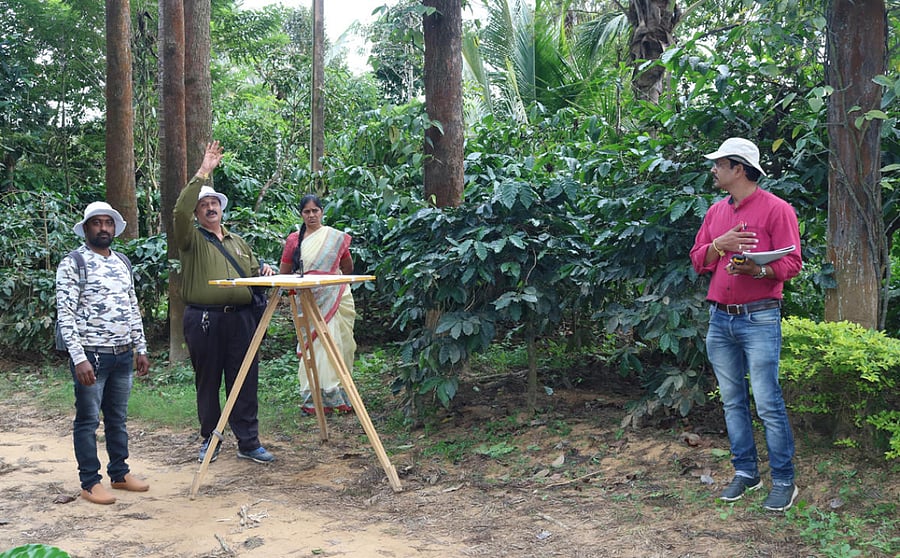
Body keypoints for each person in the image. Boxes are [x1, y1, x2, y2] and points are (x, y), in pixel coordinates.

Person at [689, 137, 803, 512]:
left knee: (767, 402)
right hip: (720, 318)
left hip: (760, 317)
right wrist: (720, 244)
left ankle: (784, 481)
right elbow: (698, 260)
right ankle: (746, 473)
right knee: (732, 402)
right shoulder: (715, 213)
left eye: (720, 164)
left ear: (739, 169)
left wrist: (759, 269)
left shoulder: (777, 209)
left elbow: (792, 263)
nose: (714, 170)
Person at [173, 140, 276, 464]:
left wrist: (264, 271)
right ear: (197, 212)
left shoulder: (239, 242)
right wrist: (203, 172)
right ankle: (211, 439)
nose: (210, 208)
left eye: (213, 203)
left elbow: (253, 273)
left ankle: (249, 442)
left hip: (242, 319)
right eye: (203, 204)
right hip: (205, 319)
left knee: (244, 378)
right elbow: (178, 211)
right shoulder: (190, 239)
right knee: (208, 381)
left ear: (221, 208)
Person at [56, 202, 151, 505]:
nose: (103, 228)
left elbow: (132, 305)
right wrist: (79, 357)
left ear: (114, 228)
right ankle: (90, 482)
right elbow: (65, 314)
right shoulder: (73, 263)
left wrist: (140, 347)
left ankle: (120, 473)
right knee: (88, 420)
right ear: (86, 228)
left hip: (122, 353)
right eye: (96, 223)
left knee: (117, 418)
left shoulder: (122, 261)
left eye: (108, 223)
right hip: (92, 356)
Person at [279, 194, 357, 414]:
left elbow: (347, 266)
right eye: (307, 211)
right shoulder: (294, 240)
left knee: (338, 342)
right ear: (301, 214)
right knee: (314, 345)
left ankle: (338, 394)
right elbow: (284, 272)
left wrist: (330, 283)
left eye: (315, 210)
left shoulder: (334, 238)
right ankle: (313, 398)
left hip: (335, 297)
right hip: (307, 298)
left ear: (322, 212)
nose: (311, 215)